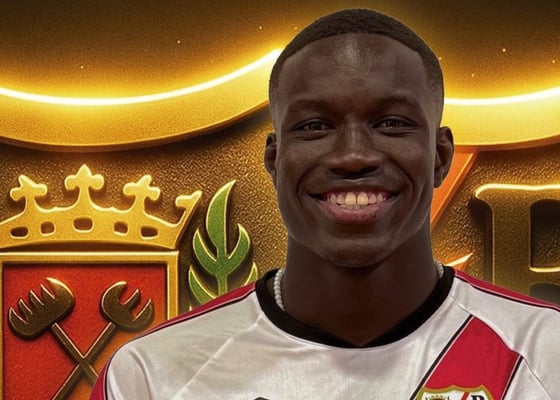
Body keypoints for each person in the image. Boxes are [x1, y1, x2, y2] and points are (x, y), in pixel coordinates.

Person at [91, 8, 559, 399]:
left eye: (392, 123)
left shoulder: (545, 353)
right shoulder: (151, 374)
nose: (353, 155)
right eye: (315, 126)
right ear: (274, 160)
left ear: (439, 157)